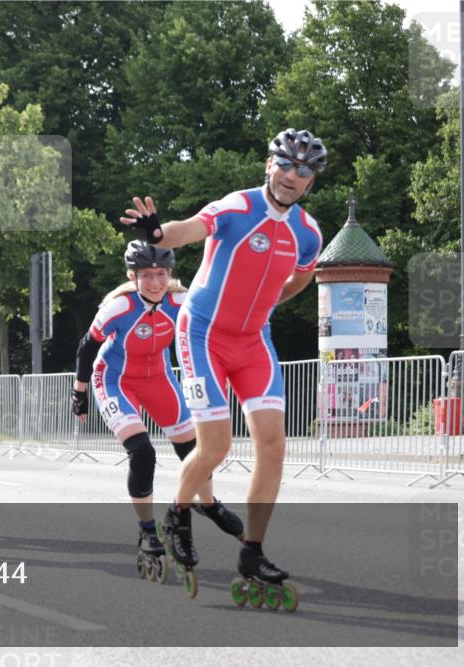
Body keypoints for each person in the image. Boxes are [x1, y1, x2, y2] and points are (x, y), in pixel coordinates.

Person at [120, 128, 325, 607]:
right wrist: (155, 232)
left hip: (253, 341)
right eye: (286, 165)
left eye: (304, 170)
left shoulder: (308, 233)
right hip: (203, 334)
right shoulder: (238, 206)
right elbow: (186, 229)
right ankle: (177, 514)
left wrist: (268, 304)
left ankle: (252, 553)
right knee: (216, 445)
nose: (293, 176)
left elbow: (300, 277)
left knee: (273, 445)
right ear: (269, 165)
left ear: (310, 181)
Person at [72, 241, 243, 585]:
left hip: (160, 379)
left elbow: (210, 333)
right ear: (132, 276)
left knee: (195, 452)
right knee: (143, 452)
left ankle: (207, 504)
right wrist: (80, 392)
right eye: (146, 275)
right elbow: (87, 346)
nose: (155, 282)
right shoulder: (119, 306)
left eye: (161, 274)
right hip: (116, 379)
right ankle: (148, 530)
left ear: (169, 273)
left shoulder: (182, 302)